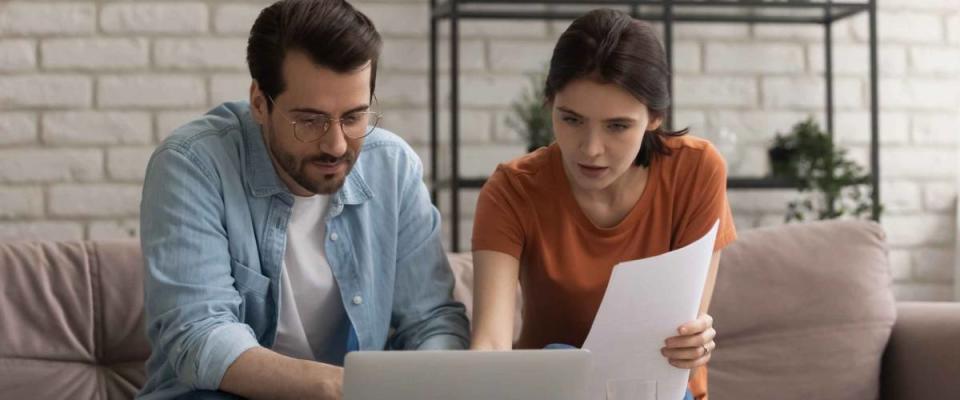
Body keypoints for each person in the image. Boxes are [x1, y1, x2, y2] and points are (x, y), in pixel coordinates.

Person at [137, 1, 468, 399]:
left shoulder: (393, 167)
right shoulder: (193, 164)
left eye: (353, 116)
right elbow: (200, 336)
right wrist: (345, 388)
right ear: (260, 102)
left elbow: (432, 321)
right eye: (309, 121)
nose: (336, 144)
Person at [469, 8, 737, 400]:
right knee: (559, 358)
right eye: (571, 120)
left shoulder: (696, 171)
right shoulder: (511, 190)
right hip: (555, 390)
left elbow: (686, 324)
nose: (590, 150)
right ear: (550, 104)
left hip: (658, 392)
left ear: (654, 117)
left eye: (617, 126)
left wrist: (695, 339)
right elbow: (490, 344)